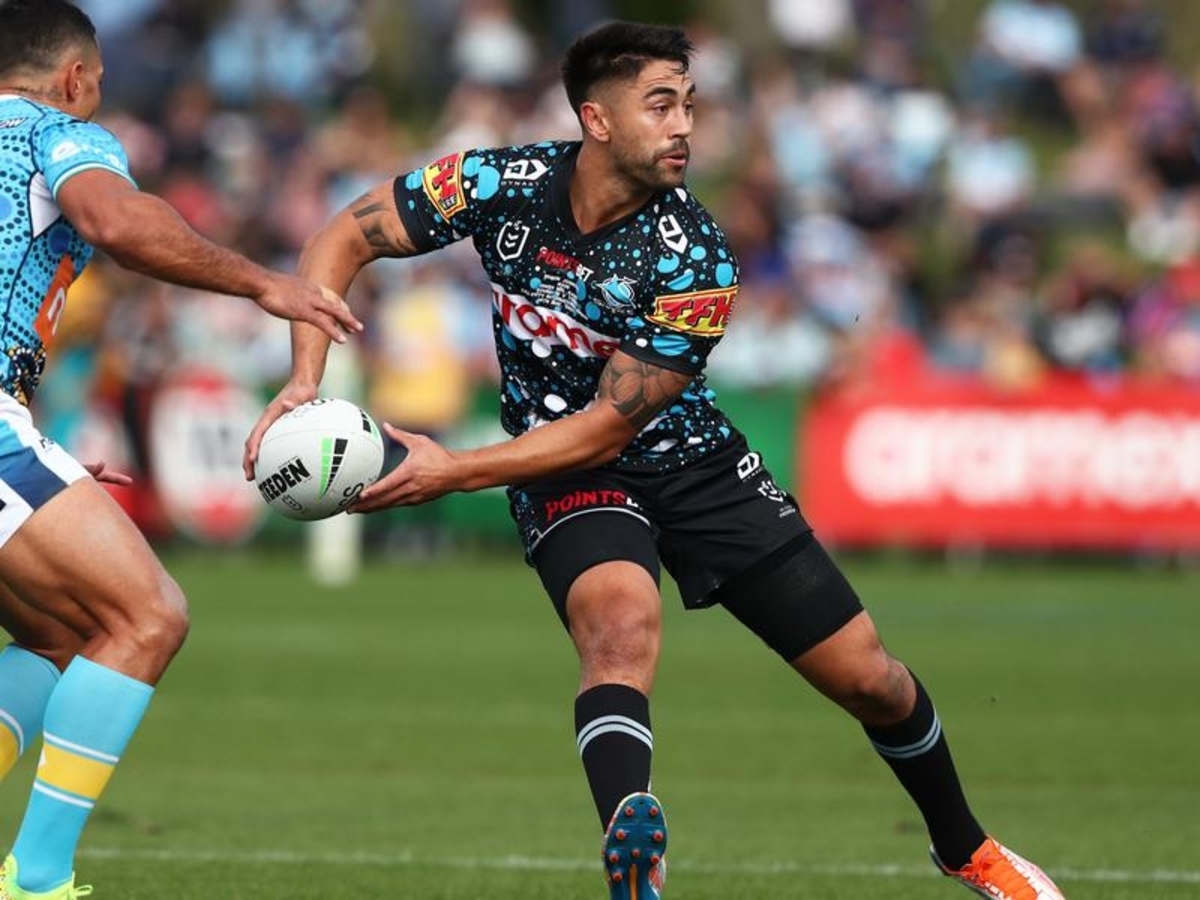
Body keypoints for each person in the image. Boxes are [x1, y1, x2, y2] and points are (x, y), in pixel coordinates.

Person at [244, 20, 1065, 900]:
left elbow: (609, 425)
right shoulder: (494, 182)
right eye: (661, 106)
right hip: (562, 471)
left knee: (871, 678)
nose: (684, 127)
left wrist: (458, 470)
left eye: (689, 106)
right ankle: (633, 854)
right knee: (619, 630)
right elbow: (343, 237)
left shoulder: (695, 254)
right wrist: (306, 380)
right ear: (596, 119)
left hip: (691, 465)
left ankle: (964, 848)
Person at [0, 3, 362, 899]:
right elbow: (118, 223)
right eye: (98, 82)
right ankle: (36, 880)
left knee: (60, 634)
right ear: (76, 78)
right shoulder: (55, 133)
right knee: (146, 616)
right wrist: (263, 283)